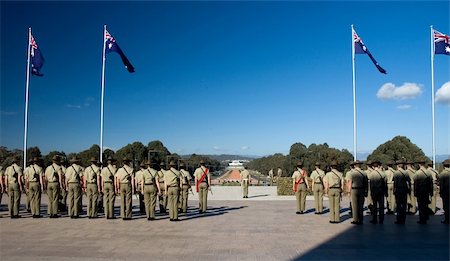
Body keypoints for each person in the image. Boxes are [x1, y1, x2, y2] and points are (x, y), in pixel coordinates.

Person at [346, 160, 368, 225]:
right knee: (361, 205)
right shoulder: (364, 173)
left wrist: (348, 191)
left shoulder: (351, 173)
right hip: (361, 190)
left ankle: (355, 219)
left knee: (354, 205)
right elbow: (366, 183)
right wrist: (366, 191)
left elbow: (349, 183)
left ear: (355, 165)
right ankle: (361, 219)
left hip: (354, 190)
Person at [414, 160, 433, 224]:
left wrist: (415, 191)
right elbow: (431, 183)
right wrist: (431, 192)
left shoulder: (417, 173)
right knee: (425, 204)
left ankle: (422, 219)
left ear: (419, 164)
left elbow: (415, 183)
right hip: (426, 190)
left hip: (420, 191)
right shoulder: (428, 172)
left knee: (421, 205)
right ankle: (426, 217)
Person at [393, 159, 410, 224]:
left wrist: (394, 190)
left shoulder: (396, 173)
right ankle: (403, 219)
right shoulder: (406, 172)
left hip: (398, 189)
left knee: (399, 205)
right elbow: (408, 181)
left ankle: (399, 219)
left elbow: (395, 183)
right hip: (404, 189)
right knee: (404, 204)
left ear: (398, 166)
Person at [439, 159, 450, 224]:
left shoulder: (443, 173)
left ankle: (447, 219)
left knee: (446, 206)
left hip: (446, 192)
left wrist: (441, 192)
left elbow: (442, 185)